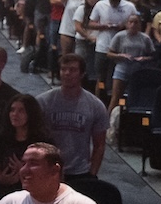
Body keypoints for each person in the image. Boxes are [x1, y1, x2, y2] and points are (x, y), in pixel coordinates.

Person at [36, 54, 109, 182]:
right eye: (63, 69)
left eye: (72, 70)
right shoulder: (43, 101)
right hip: (48, 169)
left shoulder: (95, 106)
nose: (67, 73)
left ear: (82, 74)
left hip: (80, 171)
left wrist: (92, 174)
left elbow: (99, 145)